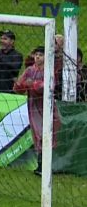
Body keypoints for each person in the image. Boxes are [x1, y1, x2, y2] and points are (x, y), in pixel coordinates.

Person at [13, 46, 62, 175]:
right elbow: (18, 88)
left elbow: (48, 86)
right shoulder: (29, 70)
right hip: (34, 106)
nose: (38, 57)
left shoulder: (50, 70)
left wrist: (32, 84)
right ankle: (41, 166)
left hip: (48, 106)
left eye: (41, 55)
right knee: (39, 134)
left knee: (51, 132)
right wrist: (22, 84)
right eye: (36, 55)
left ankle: (49, 165)